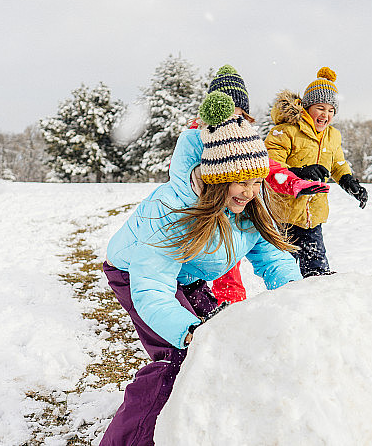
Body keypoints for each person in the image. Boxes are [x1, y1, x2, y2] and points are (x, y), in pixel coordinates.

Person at [100, 91, 302, 446]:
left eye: (257, 181)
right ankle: (128, 439)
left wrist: (299, 299)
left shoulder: (249, 207)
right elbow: (152, 290)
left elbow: (275, 260)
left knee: (223, 342)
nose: (250, 192)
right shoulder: (171, 211)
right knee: (179, 357)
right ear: (217, 179)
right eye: (241, 181)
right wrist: (188, 330)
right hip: (136, 272)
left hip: (187, 273)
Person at [190, 65, 328, 303]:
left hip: (240, 209)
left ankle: (247, 304)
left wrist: (295, 182)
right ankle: (211, 309)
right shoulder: (196, 138)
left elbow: (270, 167)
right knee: (205, 267)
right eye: (227, 115)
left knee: (259, 253)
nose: (233, 122)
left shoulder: (248, 143)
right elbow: (181, 173)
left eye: (240, 116)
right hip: (205, 213)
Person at [265, 66, 368, 277]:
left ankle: (316, 302)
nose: (325, 114)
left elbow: (337, 163)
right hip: (284, 215)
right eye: (320, 107)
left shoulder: (333, 135)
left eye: (331, 110)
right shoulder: (286, 131)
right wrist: (300, 172)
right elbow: (270, 166)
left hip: (314, 216)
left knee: (317, 272)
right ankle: (282, 304)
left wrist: (349, 182)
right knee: (283, 271)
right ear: (307, 107)